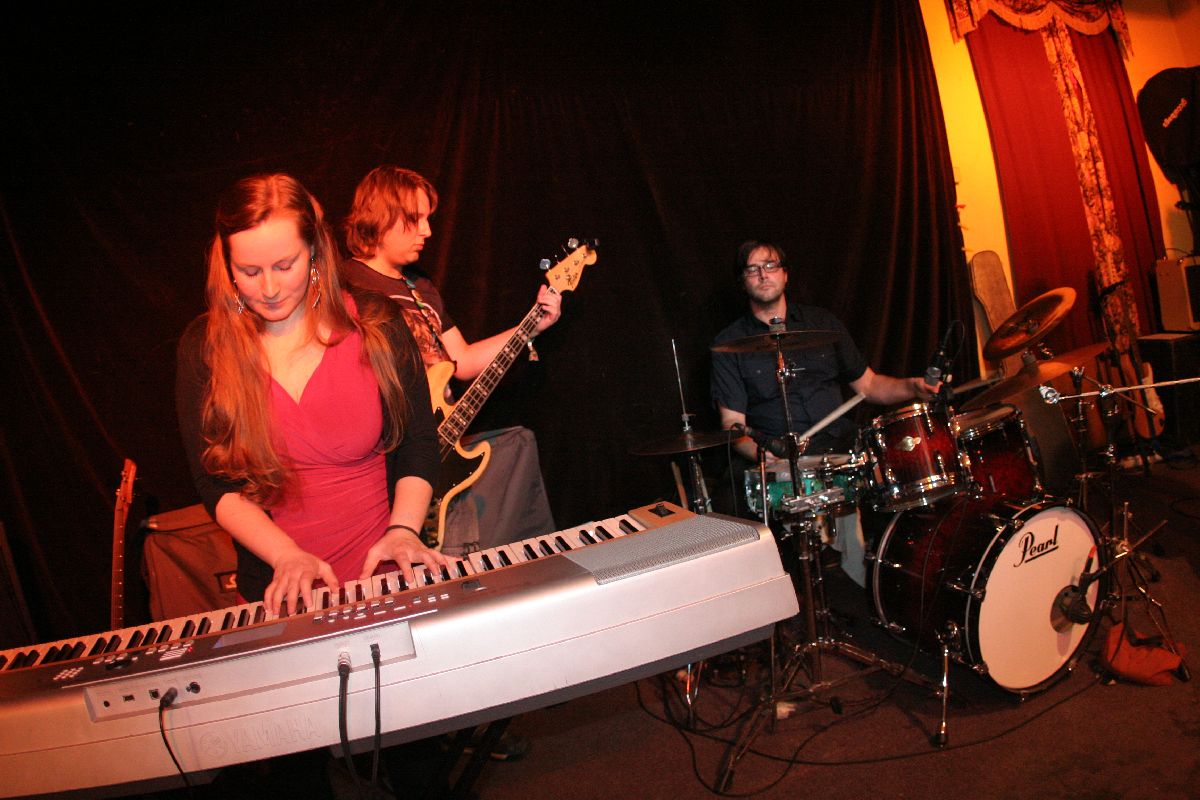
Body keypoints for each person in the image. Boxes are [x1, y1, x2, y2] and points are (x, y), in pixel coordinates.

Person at [176, 173, 450, 796]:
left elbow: (417, 443)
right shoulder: (206, 348)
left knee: (417, 770)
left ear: (316, 250)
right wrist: (287, 557)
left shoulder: (376, 323)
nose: (270, 288)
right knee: (296, 781)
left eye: (285, 265)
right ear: (225, 264)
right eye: (249, 271)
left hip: (384, 578)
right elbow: (215, 485)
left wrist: (404, 530)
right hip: (282, 595)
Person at [340, 165, 559, 557]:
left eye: (428, 219)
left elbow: (463, 360)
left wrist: (532, 325)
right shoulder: (345, 285)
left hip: (438, 446)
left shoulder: (420, 287)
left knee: (518, 447)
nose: (427, 231)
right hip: (387, 460)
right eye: (415, 219)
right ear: (381, 217)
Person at [710, 240, 937, 585]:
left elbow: (870, 385)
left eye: (770, 265)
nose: (763, 274)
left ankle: (883, 580)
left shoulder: (822, 323)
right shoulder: (729, 344)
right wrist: (763, 455)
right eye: (752, 269)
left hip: (841, 446)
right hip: (782, 454)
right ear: (743, 280)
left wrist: (912, 387)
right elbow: (733, 425)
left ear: (785, 274)